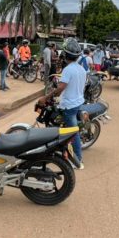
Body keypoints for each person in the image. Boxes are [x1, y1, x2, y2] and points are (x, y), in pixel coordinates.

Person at [40, 38, 86, 169]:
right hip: (78, 103)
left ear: (65, 55)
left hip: (69, 106)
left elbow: (60, 88)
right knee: (69, 127)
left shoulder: (68, 70)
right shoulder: (81, 69)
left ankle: (78, 160)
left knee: (73, 132)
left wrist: (46, 97)